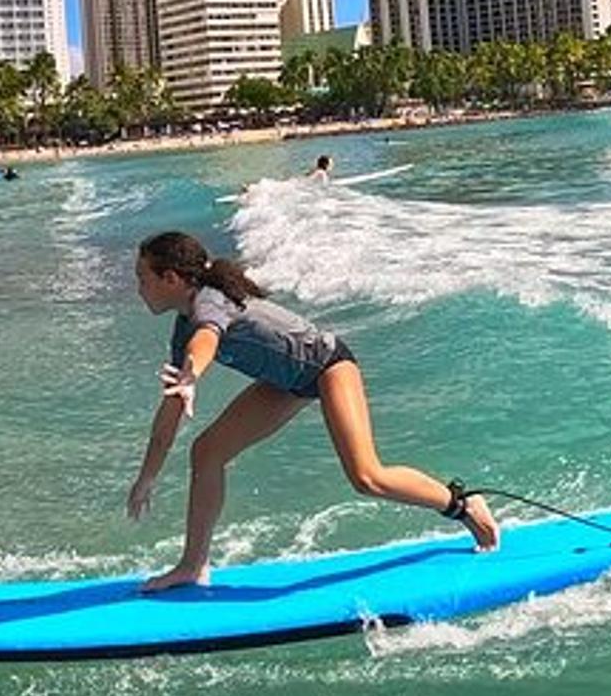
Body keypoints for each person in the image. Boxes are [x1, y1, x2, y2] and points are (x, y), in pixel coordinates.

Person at [126, 231, 498, 590]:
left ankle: (462, 505)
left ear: (171, 278)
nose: (138, 289)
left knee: (367, 477)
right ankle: (193, 566)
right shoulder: (182, 327)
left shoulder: (209, 301)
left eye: (143, 279)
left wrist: (193, 374)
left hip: (328, 366)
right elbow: (171, 409)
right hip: (287, 382)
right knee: (206, 452)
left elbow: (208, 337)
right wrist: (147, 477)